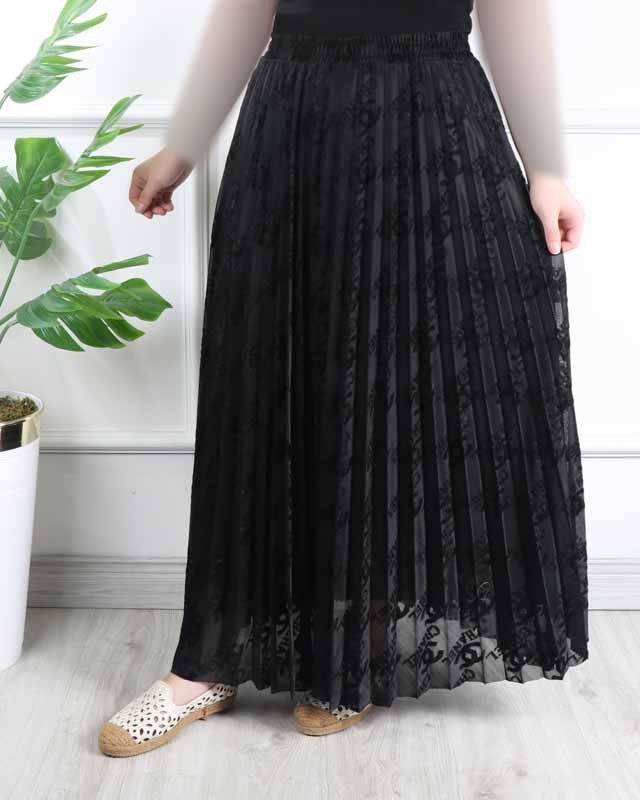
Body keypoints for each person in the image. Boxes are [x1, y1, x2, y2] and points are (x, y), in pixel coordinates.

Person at [98, 0, 589, 757]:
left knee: (394, 380)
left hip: (428, 119)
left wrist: (547, 169)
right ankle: (207, 661)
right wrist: (183, 145)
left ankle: (356, 646)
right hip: (292, 120)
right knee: (258, 377)